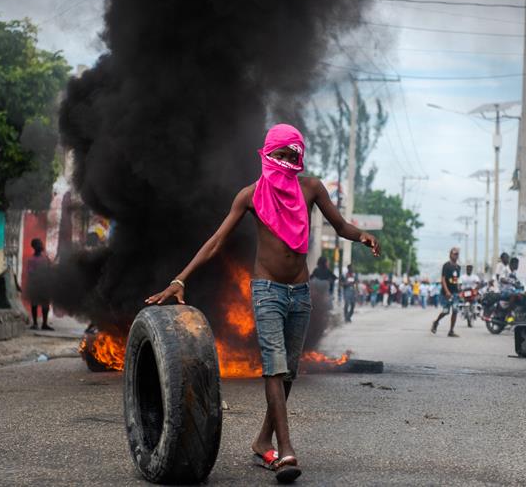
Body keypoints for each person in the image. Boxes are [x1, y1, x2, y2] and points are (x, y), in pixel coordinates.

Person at [146, 124, 380, 483]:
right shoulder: (251, 195)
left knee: (288, 372)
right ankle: (285, 450)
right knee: (274, 365)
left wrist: (362, 236)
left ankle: (262, 440)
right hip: (267, 290)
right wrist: (180, 279)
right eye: (280, 154)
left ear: (299, 156)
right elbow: (216, 241)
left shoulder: (311, 188)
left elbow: (340, 225)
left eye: (293, 155)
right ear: (267, 154)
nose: (286, 161)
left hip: (300, 293)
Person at [431, 247, 461, 337]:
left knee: (455, 310)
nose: (456, 256)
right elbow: (443, 279)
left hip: (455, 293)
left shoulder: (458, 267)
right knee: (446, 311)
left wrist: (459, 290)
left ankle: (451, 330)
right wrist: (447, 291)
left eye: (457, 254)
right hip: (446, 293)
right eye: (454, 254)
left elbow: (457, 280)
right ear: (450, 255)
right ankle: (436, 322)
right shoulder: (446, 266)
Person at [27, 238, 53, 331]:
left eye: (41, 244)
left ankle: (44, 324)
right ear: (34, 247)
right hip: (36, 284)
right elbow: (30, 273)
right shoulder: (31, 259)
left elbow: (50, 269)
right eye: (38, 244)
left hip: (45, 284)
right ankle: (35, 323)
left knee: (45, 305)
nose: (40, 246)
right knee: (34, 304)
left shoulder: (45, 258)